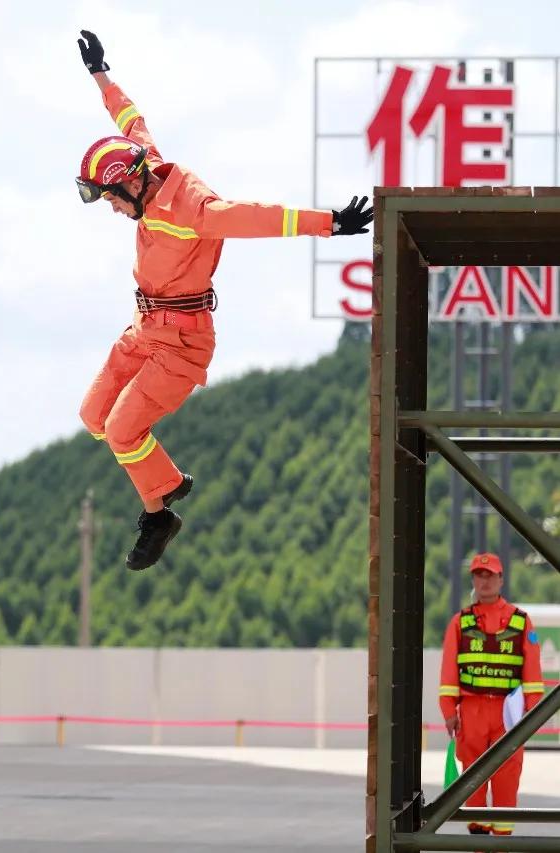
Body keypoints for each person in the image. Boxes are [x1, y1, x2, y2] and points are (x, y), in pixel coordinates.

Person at [75, 30, 373, 572]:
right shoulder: (147, 164)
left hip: (182, 343)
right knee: (94, 416)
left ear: (133, 185)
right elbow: (130, 121)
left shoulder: (195, 211)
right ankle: (167, 480)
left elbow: (259, 218)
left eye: (112, 200)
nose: (113, 211)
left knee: (121, 430)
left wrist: (330, 222)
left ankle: (159, 516)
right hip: (144, 328)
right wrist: (100, 73)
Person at [439, 552, 544, 843]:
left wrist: (529, 717)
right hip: (471, 714)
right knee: (472, 786)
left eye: (490, 575)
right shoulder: (460, 623)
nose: (484, 581)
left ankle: (500, 845)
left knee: (506, 784)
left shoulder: (522, 623)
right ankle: (479, 845)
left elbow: (533, 677)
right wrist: (448, 711)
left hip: (508, 717)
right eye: (478, 575)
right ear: (473, 580)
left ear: (501, 579)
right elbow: (449, 673)